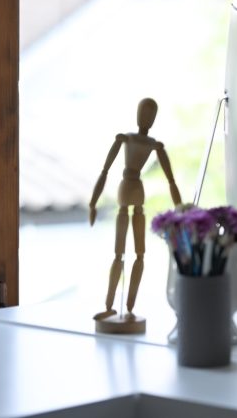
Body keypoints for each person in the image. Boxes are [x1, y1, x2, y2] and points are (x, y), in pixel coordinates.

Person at [89, 97, 182, 324]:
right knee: (119, 253)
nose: (146, 119)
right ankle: (110, 306)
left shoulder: (154, 145)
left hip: (136, 191)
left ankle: (129, 306)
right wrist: (93, 203)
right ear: (138, 115)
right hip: (128, 189)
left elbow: (171, 181)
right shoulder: (126, 139)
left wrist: (181, 210)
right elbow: (105, 170)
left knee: (139, 253)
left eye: (150, 115)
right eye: (144, 114)